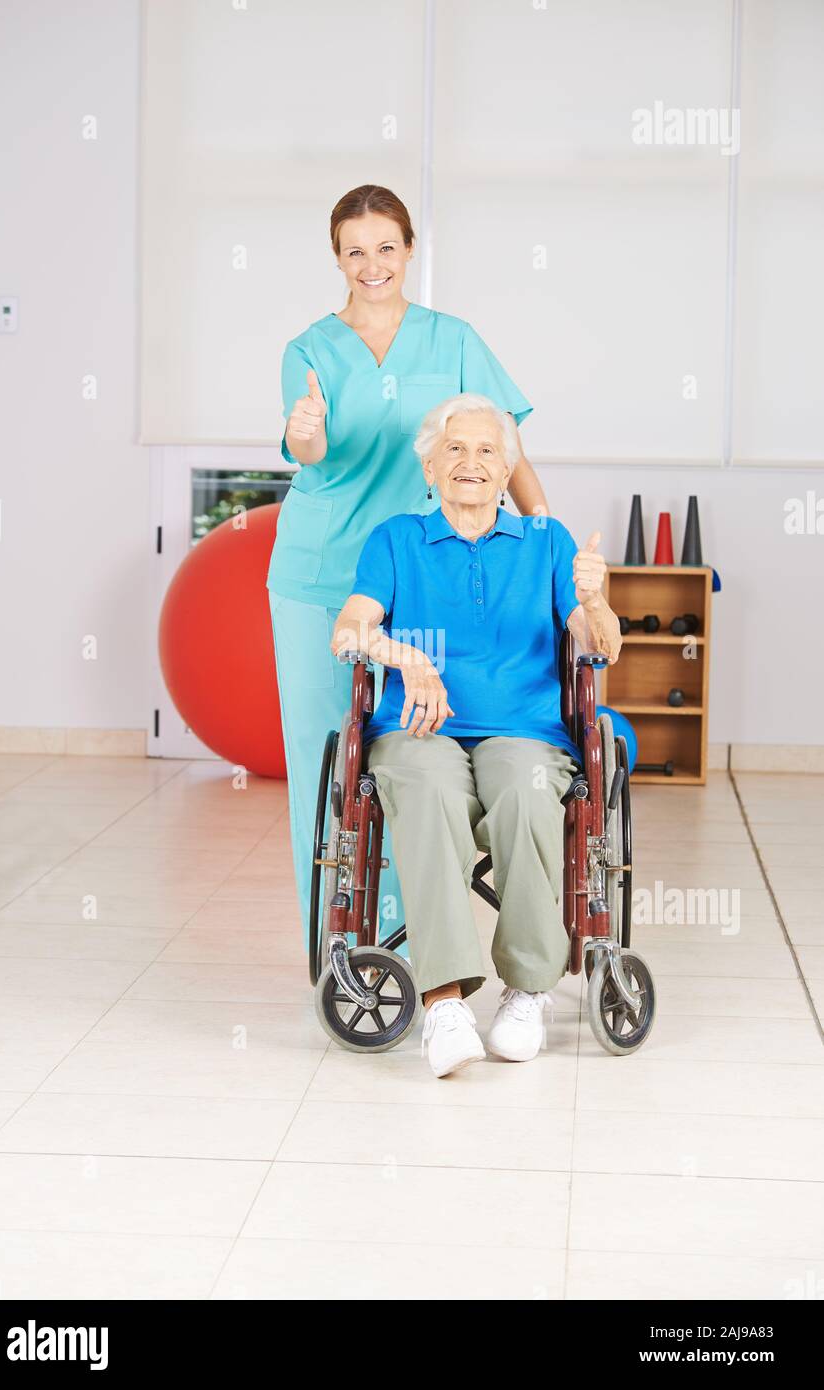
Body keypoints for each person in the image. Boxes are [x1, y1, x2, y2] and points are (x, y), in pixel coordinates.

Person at [267, 184, 548, 949]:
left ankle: (408, 939)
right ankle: (334, 946)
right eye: (354, 250)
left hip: (422, 573)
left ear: (409, 249)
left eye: (385, 247)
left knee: (411, 753)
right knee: (331, 765)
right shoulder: (310, 350)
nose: (371, 264)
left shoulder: (452, 339)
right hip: (321, 573)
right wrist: (305, 433)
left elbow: (504, 445)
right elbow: (311, 454)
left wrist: (541, 534)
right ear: (336, 257)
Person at [331, 393, 625, 1078]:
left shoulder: (546, 542)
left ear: (507, 470)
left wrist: (591, 599)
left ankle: (527, 992)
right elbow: (348, 630)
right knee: (428, 792)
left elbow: (600, 646)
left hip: (523, 732)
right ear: (429, 467)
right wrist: (407, 658)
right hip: (417, 730)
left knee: (525, 795)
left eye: (487, 450)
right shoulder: (396, 540)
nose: (470, 463)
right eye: (454, 449)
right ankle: (442, 1005)